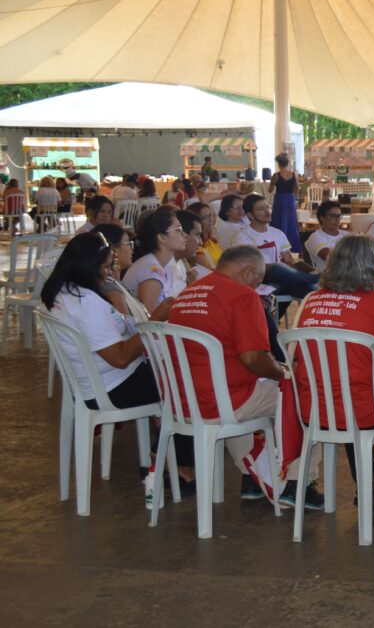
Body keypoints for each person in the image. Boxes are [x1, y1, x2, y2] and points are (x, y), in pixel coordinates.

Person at [168, 246, 322, 507]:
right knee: (309, 397)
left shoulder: (187, 294)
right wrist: (284, 374)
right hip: (224, 401)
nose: (257, 286)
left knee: (250, 390)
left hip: (182, 402)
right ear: (250, 272)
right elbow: (253, 359)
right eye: (259, 280)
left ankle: (252, 478)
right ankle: (299, 483)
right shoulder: (241, 295)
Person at [41, 231, 195, 481]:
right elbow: (120, 358)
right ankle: (175, 461)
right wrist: (155, 321)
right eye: (105, 267)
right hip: (114, 387)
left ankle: (170, 451)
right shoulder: (86, 303)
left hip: (96, 381)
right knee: (189, 381)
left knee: (180, 370)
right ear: (87, 267)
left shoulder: (62, 292)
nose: (109, 273)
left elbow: (115, 331)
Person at [291, 235, 374, 496]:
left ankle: (367, 483)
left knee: (350, 390)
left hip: (312, 409)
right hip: (361, 412)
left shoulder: (310, 301)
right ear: (370, 265)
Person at [236, 194, 319, 302]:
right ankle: (318, 278)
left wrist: (289, 264)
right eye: (261, 209)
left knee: (307, 288)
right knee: (275, 268)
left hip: (279, 280)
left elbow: (289, 260)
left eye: (267, 207)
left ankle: (319, 290)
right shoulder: (242, 236)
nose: (267, 212)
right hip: (258, 280)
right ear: (250, 215)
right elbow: (248, 267)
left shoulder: (278, 233)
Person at [122, 206, 187, 313]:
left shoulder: (165, 266)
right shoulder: (150, 270)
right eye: (178, 230)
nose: (184, 235)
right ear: (162, 237)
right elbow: (150, 319)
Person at [269, 153, 302, 252]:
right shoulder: (293, 174)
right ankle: (293, 246)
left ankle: (279, 245)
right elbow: (297, 188)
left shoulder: (276, 175)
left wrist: (272, 183)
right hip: (290, 199)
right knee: (291, 222)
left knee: (278, 220)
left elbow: (270, 190)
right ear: (287, 163)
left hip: (280, 199)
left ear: (278, 164)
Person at [304, 200, 347, 270]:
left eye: (338, 216)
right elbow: (330, 257)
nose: (337, 219)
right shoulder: (315, 237)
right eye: (332, 216)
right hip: (328, 275)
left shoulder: (347, 235)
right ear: (322, 218)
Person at [192, 202, 221, 271]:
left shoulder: (212, 240)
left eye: (210, 215)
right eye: (205, 217)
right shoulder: (195, 248)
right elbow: (212, 272)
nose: (210, 219)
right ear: (197, 223)